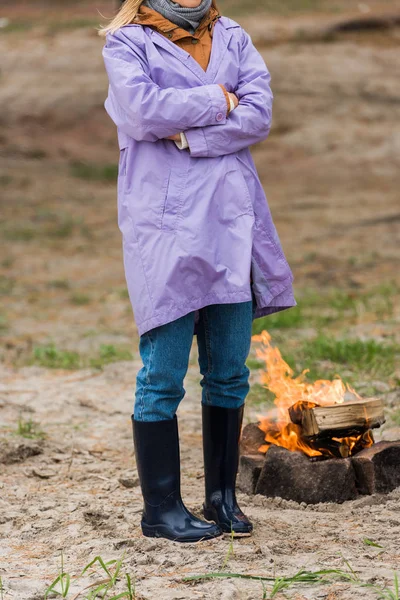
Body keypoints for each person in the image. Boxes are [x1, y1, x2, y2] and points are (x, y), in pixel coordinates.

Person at [100, 0, 296, 543]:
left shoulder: (232, 36)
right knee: (162, 377)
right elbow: (141, 113)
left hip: (231, 221)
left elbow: (258, 113)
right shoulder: (127, 43)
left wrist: (191, 135)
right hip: (166, 227)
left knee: (230, 372)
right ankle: (160, 510)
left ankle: (221, 498)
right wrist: (217, 99)